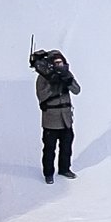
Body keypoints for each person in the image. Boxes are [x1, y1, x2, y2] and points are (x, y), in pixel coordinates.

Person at [32, 49, 80, 181]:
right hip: (51, 120)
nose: (59, 65)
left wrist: (67, 80)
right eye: (56, 63)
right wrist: (53, 83)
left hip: (66, 119)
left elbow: (77, 90)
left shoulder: (67, 74)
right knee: (49, 149)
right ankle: (48, 173)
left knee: (66, 147)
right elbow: (41, 96)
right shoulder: (43, 77)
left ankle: (65, 169)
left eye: (61, 62)